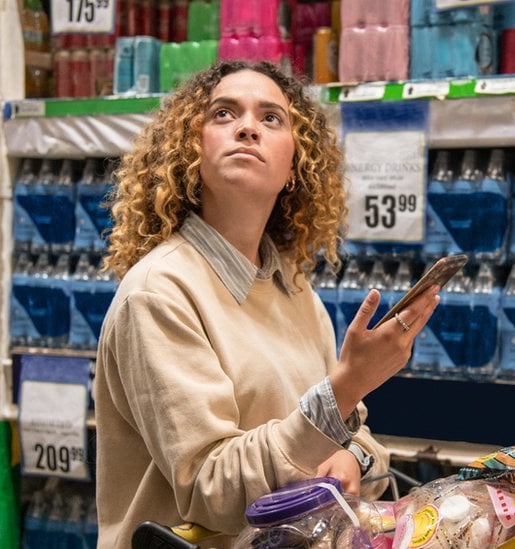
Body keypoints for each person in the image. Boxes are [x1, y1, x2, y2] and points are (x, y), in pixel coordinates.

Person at [93, 60, 441, 547]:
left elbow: (365, 448)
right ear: (191, 149)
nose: (247, 128)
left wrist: (352, 461)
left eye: (271, 118)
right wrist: (345, 390)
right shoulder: (160, 291)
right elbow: (212, 489)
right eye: (223, 114)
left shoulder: (293, 291)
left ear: (296, 165)